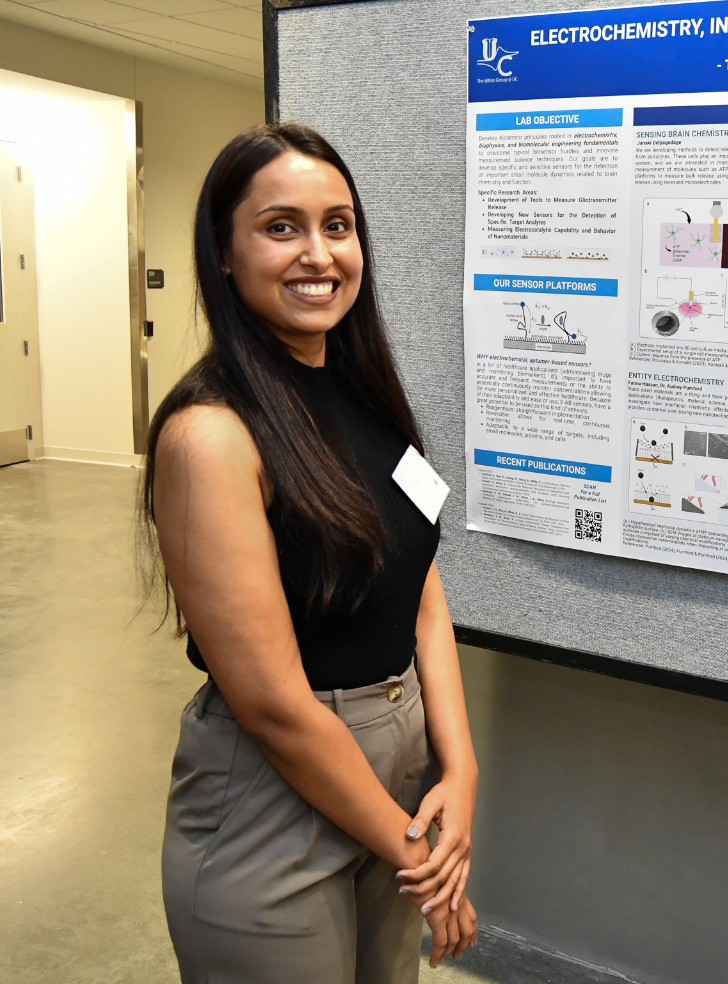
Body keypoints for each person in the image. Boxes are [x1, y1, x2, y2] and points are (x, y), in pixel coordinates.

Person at [141, 123, 478, 982]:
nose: (319, 253)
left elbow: (418, 583)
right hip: (273, 792)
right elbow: (276, 710)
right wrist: (427, 862)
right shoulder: (210, 436)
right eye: (280, 226)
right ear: (224, 251)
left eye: (338, 225)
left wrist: (461, 764)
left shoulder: (359, 392)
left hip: (398, 757)